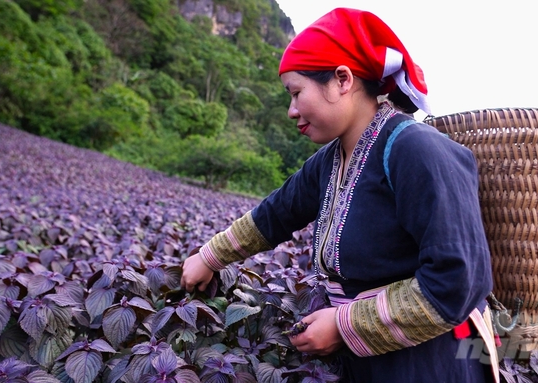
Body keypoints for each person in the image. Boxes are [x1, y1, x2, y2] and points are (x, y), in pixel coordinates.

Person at [181, 7, 498, 382]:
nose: (291, 110)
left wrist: (342, 325)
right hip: (367, 360)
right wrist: (209, 257)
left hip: (432, 362)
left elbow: (456, 282)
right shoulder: (329, 161)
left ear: (342, 79)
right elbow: (274, 215)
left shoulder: (416, 150)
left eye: (297, 93)